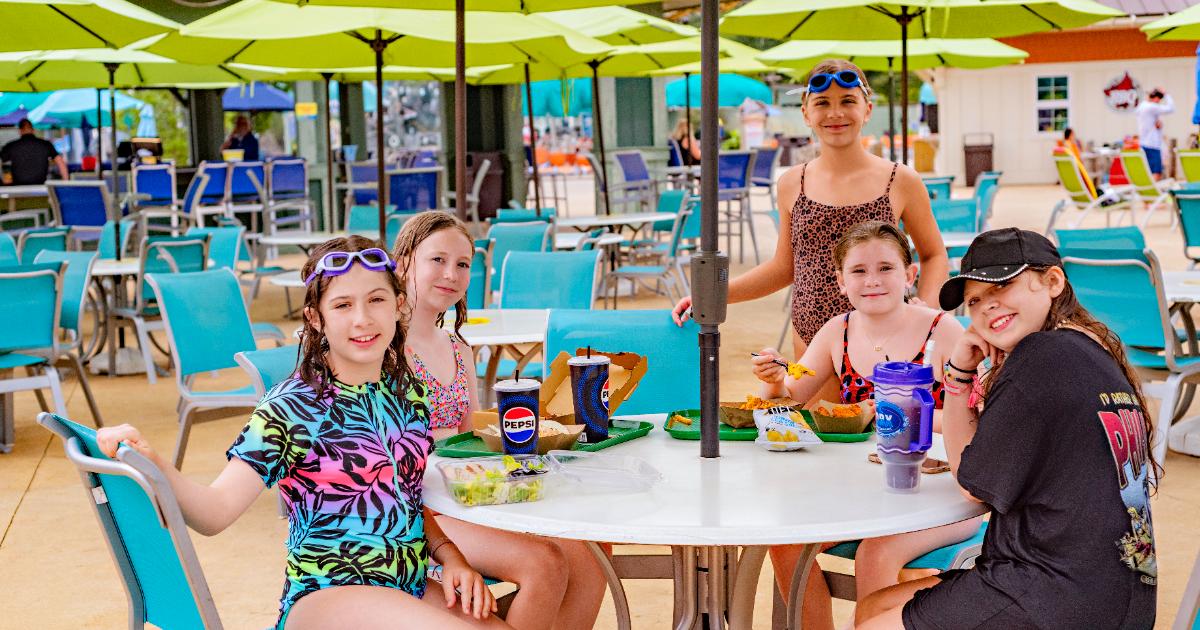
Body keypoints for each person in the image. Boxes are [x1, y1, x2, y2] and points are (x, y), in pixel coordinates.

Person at [95, 236, 508, 630]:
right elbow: (213, 512)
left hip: (407, 585)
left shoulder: (407, 394)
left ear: (399, 305)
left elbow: (403, 497)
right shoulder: (291, 406)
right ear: (316, 317)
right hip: (328, 595)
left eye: (376, 300)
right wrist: (152, 459)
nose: (363, 319)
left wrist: (450, 556)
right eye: (343, 305)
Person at [857, 228, 1158, 629]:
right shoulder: (1089, 351)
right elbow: (978, 464)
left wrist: (959, 377)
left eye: (1003, 284)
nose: (987, 306)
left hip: (1056, 593)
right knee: (873, 608)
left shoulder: (1039, 358)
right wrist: (961, 374)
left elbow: (970, 483)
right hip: (1112, 594)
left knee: (873, 627)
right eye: (975, 300)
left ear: (1052, 281)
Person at [750, 221, 978, 629]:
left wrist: (900, 411)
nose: (872, 280)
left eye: (886, 268)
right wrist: (771, 380)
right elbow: (792, 394)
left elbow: (980, 421)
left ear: (910, 275)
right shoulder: (836, 331)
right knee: (785, 542)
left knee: (877, 553)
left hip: (945, 493)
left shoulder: (941, 330)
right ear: (840, 282)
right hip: (865, 489)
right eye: (858, 271)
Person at [672, 59, 948, 393]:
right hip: (812, 340)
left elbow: (933, 254)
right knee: (820, 436)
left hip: (885, 333)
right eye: (822, 103)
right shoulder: (792, 183)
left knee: (885, 433)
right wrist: (714, 295)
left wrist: (926, 308)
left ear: (868, 109)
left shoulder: (900, 180)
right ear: (806, 113)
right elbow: (783, 267)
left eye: (847, 101)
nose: (835, 113)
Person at [391, 211, 608, 630]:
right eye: (437, 260)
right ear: (403, 262)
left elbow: (473, 440)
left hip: (465, 496)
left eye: (462, 264)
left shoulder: (458, 348)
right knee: (543, 563)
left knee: (591, 548)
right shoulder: (384, 349)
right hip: (420, 510)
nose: (450, 274)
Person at [0, 119, 67, 185]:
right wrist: (66, 183)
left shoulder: (12, 146)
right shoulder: (45, 144)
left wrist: (2, 180)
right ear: (33, 130)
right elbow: (60, 161)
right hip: (40, 188)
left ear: (20, 131)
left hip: (18, 189)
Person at [1136, 88, 1174, 179]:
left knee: (1148, 171)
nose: (1159, 102)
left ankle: (1147, 190)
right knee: (1156, 172)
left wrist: (1157, 125)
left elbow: (1150, 124)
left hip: (1144, 143)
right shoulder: (1151, 107)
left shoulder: (1142, 107)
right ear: (1156, 98)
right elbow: (1171, 108)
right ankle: (1152, 192)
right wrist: (1166, 94)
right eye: (1159, 99)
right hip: (1152, 144)